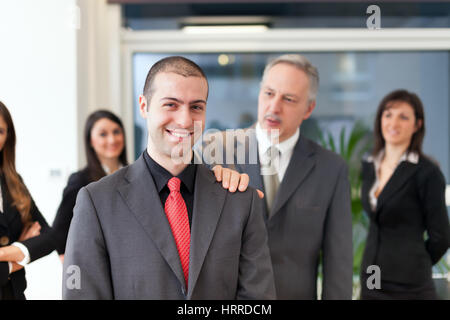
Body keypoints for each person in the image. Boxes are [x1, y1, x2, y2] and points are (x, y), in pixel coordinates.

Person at [63, 56, 276, 299]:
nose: (185, 121)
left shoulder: (239, 201)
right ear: (144, 106)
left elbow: (258, 300)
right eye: (171, 105)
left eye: (196, 107)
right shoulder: (97, 202)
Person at [201, 54, 353, 299]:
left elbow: (339, 262)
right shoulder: (217, 151)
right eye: (269, 93)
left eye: (289, 99)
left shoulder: (330, 168)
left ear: (309, 108)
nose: (274, 107)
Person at [360, 89, 450, 300]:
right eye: (388, 114)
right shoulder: (369, 164)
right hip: (373, 277)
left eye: (403, 117)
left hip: (411, 285)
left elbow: (442, 237)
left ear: (417, 125)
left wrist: (414, 262)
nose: (393, 123)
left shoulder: (427, 172)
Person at [52, 110, 128, 262]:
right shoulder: (80, 180)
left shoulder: (134, 176)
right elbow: (59, 231)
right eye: (103, 134)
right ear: (91, 141)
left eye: (116, 132)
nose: (112, 139)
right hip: (95, 263)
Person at [0, 101, 55, 300]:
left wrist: (10, 251)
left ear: (8, 138)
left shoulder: (14, 182)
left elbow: (50, 237)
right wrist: (22, 248)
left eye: (0, 131)